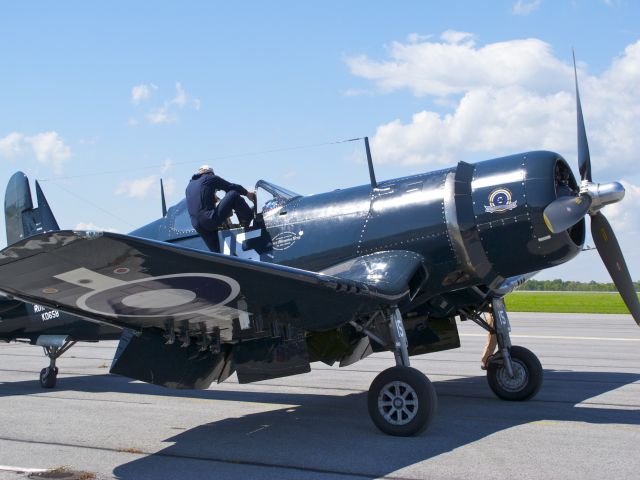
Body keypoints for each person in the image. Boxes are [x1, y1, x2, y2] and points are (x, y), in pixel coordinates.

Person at [185, 165, 256, 252]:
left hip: (197, 225)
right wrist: (247, 193)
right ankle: (247, 219)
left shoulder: (189, 186)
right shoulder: (209, 178)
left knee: (217, 255)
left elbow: (200, 203)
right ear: (210, 173)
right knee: (233, 194)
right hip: (209, 219)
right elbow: (230, 186)